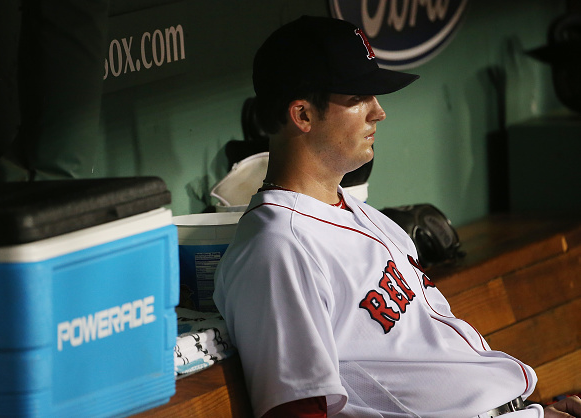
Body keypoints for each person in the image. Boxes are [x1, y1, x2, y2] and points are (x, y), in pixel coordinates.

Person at [213, 15, 581, 418]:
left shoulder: (365, 216)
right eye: (358, 98)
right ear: (302, 115)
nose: (379, 112)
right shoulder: (278, 250)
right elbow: (299, 411)